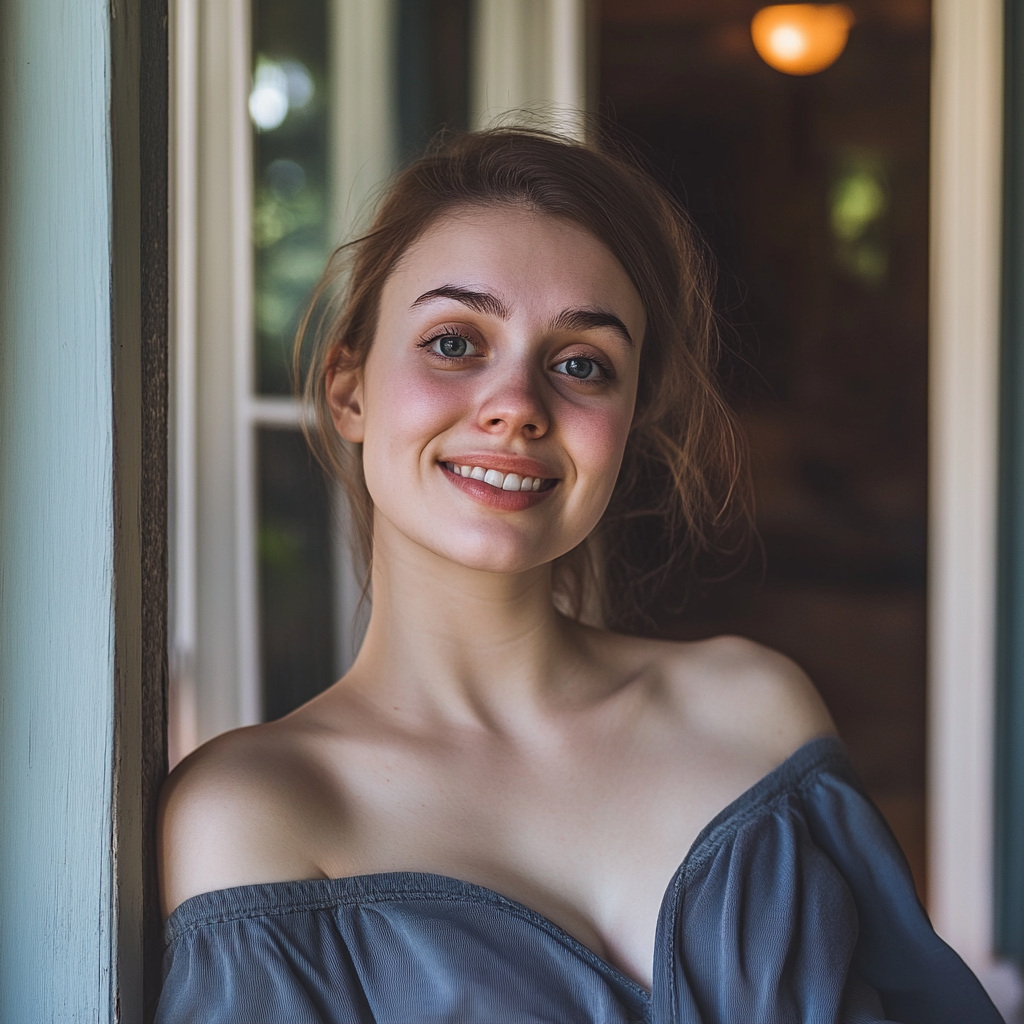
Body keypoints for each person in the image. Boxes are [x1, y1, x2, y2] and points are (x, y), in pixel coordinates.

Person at [156, 127, 1003, 1024]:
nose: (517, 406)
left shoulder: (755, 713)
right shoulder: (262, 813)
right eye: (453, 342)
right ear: (349, 388)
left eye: (579, 365)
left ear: (630, 421)